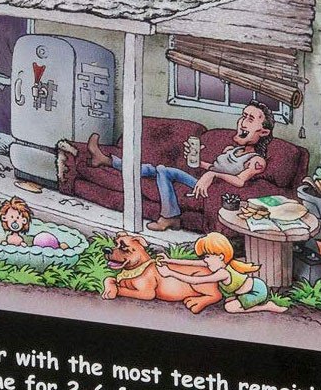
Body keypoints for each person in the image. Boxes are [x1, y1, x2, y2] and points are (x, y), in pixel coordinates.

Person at [85, 101, 274, 232]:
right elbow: (213, 167)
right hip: (203, 181)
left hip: (213, 189)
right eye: (243, 116)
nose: (242, 122)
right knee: (153, 169)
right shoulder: (231, 150)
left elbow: (240, 181)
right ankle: (106, 160)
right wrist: (197, 161)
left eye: (250, 119)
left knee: (163, 170)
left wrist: (212, 175)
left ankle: (169, 217)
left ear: (263, 132)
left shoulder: (256, 161)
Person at [161, 232, 287, 313]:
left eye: (207, 256)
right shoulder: (215, 264)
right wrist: (169, 260)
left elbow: (196, 280)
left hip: (256, 291)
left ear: (220, 256)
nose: (205, 259)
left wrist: (171, 273)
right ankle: (240, 300)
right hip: (244, 290)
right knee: (229, 302)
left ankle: (266, 306)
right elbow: (191, 263)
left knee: (229, 308)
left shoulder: (222, 273)